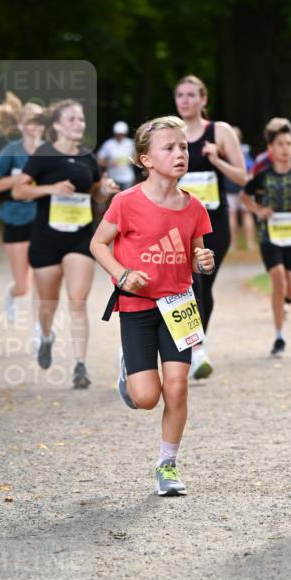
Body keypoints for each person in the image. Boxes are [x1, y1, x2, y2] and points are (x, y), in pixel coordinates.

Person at [90, 116, 214, 497]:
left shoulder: (194, 207)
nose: (180, 154)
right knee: (146, 397)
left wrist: (201, 261)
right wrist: (123, 274)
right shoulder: (126, 202)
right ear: (145, 159)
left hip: (180, 304)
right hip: (138, 306)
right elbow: (97, 245)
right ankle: (129, 368)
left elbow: (195, 254)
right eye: (169, 148)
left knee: (177, 388)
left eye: (184, 147)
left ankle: (167, 464)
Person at [12, 100, 118, 389]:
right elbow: (19, 189)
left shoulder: (87, 156)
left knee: (78, 300)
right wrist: (51, 189)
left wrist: (104, 190)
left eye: (81, 119)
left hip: (81, 237)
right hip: (47, 239)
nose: (78, 124)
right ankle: (46, 336)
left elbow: (95, 193)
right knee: (48, 304)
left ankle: (80, 366)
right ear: (57, 125)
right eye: (71, 119)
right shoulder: (43, 154)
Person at [173, 75, 248, 379]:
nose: (186, 100)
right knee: (191, 284)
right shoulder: (167, 132)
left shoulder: (219, 131)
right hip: (178, 223)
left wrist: (216, 159)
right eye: (180, 95)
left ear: (204, 99)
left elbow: (243, 177)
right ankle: (196, 349)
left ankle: (195, 345)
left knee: (204, 282)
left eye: (192, 95)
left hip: (213, 222)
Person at [242, 118, 291, 355]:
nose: (285, 148)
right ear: (271, 149)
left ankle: (286, 302)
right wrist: (259, 210)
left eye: (289, 143)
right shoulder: (263, 175)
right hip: (269, 236)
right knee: (278, 280)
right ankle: (279, 337)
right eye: (280, 144)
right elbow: (245, 196)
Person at [0, 92, 44, 323]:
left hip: (44, 218)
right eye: (31, 120)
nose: (36, 125)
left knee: (43, 279)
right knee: (23, 287)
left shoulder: (50, 150)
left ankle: (41, 332)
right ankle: (11, 295)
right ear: (21, 125)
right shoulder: (11, 151)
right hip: (17, 218)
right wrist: (21, 178)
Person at [225, 129, 256, 252]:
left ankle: (232, 245)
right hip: (245, 186)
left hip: (230, 186)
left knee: (231, 215)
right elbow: (252, 167)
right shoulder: (246, 149)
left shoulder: (225, 150)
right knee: (247, 214)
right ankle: (250, 244)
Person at [96, 120, 136, 191]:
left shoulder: (130, 143)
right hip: (112, 178)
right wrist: (108, 164)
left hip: (127, 177)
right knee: (112, 200)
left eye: (122, 134)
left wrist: (131, 160)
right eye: (118, 134)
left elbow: (137, 157)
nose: (120, 136)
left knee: (127, 199)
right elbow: (99, 159)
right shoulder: (108, 144)